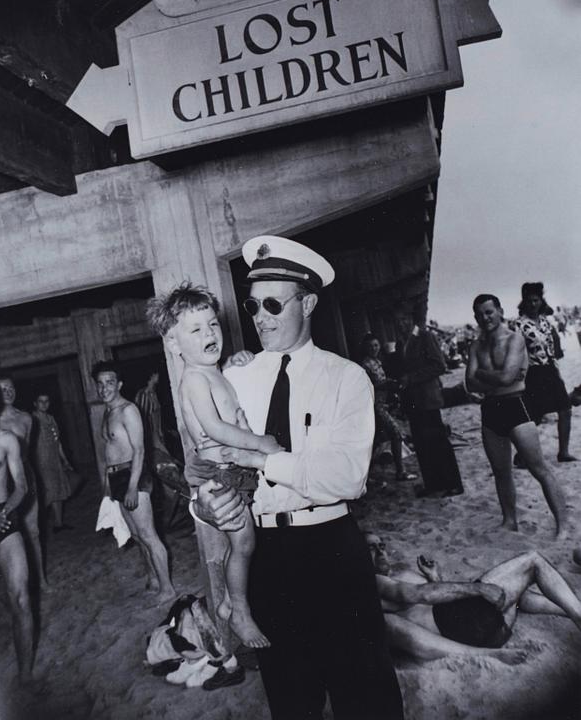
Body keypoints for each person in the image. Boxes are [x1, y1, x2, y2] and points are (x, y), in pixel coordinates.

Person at [193, 235, 404, 720]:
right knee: (291, 697)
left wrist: (262, 461)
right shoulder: (235, 379)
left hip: (331, 548)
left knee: (366, 696)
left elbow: (346, 476)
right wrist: (202, 507)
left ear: (307, 303)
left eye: (272, 303)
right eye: (252, 305)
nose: (259, 317)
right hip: (265, 556)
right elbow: (209, 463)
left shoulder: (346, 378)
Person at [147, 282, 282, 649]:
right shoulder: (192, 379)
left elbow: (232, 402)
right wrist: (260, 443)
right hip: (221, 475)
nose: (209, 333)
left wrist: (235, 361)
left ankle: (225, 601)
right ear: (174, 344)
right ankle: (238, 610)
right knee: (245, 544)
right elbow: (215, 427)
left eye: (213, 325)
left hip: (236, 470)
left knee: (243, 546)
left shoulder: (212, 371)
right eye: (196, 329)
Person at [466, 294, 570, 537]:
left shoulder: (514, 339)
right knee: (501, 472)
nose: (485, 317)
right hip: (490, 411)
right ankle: (510, 520)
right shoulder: (475, 346)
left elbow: (505, 376)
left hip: (516, 406)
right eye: (480, 314)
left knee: (539, 468)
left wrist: (483, 374)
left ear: (500, 311)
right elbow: (470, 383)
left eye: (489, 312)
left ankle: (562, 524)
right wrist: (494, 377)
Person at [371, 544, 581, 661]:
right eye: (371, 548)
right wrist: (479, 588)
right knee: (532, 561)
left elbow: (429, 606)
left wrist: (435, 578)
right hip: (465, 625)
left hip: (490, 632)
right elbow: (418, 632)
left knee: (517, 592)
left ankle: (570, 611)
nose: (380, 551)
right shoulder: (374, 584)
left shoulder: (395, 580)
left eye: (381, 545)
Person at [92, 361, 175, 604]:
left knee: (148, 534)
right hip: (117, 477)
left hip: (134, 476)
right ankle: (154, 579)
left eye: (109, 383)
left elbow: (139, 450)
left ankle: (168, 588)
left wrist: (131, 486)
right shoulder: (108, 412)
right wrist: (108, 485)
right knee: (137, 536)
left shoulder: (128, 410)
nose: (104, 388)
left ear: (118, 384)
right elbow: (109, 451)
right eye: (100, 384)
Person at [390, 308, 463, 498]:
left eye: (404, 318)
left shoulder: (425, 336)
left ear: (411, 319)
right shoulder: (400, 344)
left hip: (428, 399)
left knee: (438, 442)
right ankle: (433, 484)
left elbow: (439, 365)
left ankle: (454, 483)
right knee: (422, 445)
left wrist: (411, 378)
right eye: (397, 321)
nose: (400, 324)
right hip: (412, 402)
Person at [0, 381, 34, 682]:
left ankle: (25, 675)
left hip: (3, 518)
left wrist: (2, 514)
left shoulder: (6, 440)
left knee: (20, 598)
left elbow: (22, 486)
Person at [0, 374, 47, 587]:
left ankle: (41, 580)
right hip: (0, 483)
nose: (8, 392)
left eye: (11, 388)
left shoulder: (27, 418)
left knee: (33, 531)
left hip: (24, 477)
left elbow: (27, 453)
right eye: (2, 389)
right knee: (6, 532)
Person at [514, 282, 576, 462]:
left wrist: (557, 372)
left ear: (541, 301)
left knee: (565, 408)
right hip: (531, 373)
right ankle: (521, 455)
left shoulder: (545, 323)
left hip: (549, 370)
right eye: (529, 301)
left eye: (536, 300)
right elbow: (518, 352)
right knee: (535, 416)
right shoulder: (518, 325)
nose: (533, 304)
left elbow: (552, 350)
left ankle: (563, 452)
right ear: (523, 302)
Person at [360, 333, 416, 485]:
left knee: (376, 441)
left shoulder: (377, 361)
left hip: (382, 404)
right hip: (375, 406)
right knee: (396, 434)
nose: (374, 348)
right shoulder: (365, 365)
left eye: (376, 345)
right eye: (371, 346)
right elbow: (366, 387)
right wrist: (385, 385)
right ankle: (400, 471)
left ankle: (365, 476)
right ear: (365, 347)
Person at [31, 392, 73, 532]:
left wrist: (65, 460)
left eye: (46, 401)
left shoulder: (51, 419)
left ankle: (58, 524)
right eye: (40, 401)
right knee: (46, 494)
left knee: (59, 491)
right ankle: (37, 527)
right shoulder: (32, 420)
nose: (44, 404)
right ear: (35, 403)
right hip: (41, 462)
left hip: (54, 460)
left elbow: (58, 441)